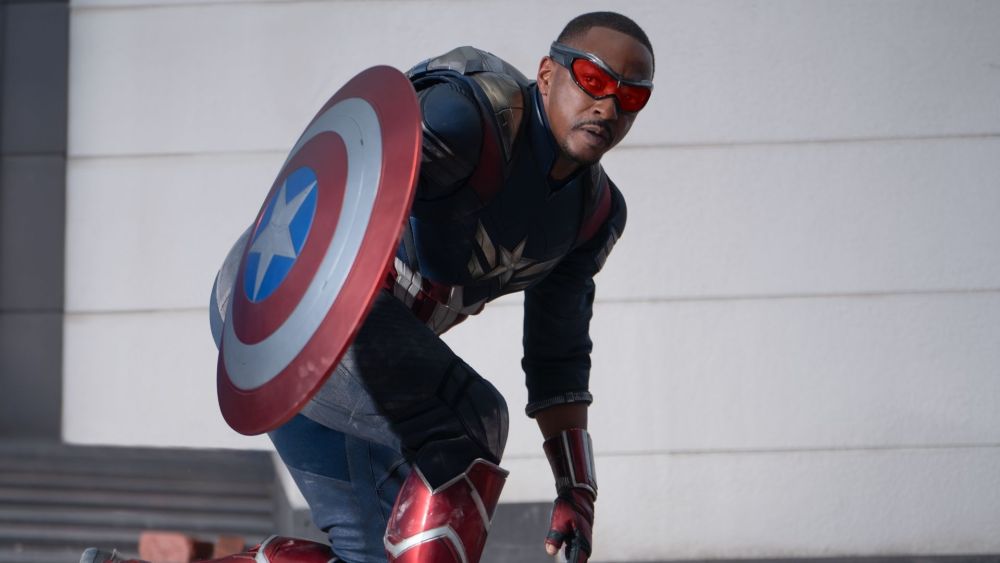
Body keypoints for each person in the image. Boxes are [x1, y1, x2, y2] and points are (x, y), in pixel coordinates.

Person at [81, 10, 654, 563]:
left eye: (630, 97)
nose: (607, 106)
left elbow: (558, 356)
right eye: (593, 79)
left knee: (372, 552)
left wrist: (576, 487)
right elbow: (346, 183)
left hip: (332, 339)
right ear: (548, 74)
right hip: (290, 306)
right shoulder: (464, 117)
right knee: (472, 421)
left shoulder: (592, 215)